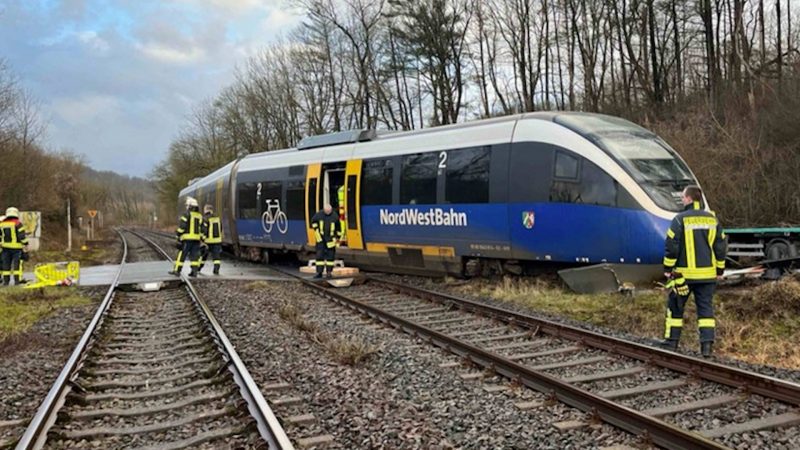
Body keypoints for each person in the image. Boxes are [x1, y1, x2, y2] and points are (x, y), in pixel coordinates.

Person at [660, 185, 727, 357]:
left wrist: (668, 268)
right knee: (705, 310)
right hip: (707, 276)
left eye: (683, 197)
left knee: (675, 307)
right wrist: (720, 269)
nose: (682, 200)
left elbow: (671, 246)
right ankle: (706, 347)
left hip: (683, 276)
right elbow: (720, 246)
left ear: (689, 199)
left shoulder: (679, 219)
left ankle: (671, 343)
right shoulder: (712, 219)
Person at [169, 197, 203, 277]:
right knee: (194, 256)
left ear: (190, 206)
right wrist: (201, 238)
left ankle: (177, 270)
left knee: (182, 255)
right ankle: (194, 272)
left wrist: (178, 234)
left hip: (187, 240)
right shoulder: (199, 216)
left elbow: (182, 227)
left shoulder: (186, 215)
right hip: (196, 240)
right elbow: (202, 228)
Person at [310, 203, 342, 278]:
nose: (328, 212)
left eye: (329, 211)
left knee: (330, 258)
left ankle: (329, 272)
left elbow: (338, 227)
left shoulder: (335, 216)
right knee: (319, 257)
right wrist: (316, 230)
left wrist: (337, 237)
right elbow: (313, 222)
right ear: (324, 210)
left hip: (330, 240)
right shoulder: (318, 215)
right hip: (320, 239)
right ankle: (319, 273)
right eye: (327, 211)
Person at [1, 208, 29, 286]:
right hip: (16, 249)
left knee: (6, 265)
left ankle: (6, 282)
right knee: (17, 265)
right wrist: (25, 243)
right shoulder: (17, 223)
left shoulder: (2, 224)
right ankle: (17, 282)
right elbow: (21, 236)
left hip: (5, 248)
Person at [199, 204, 223, 275]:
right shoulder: (217, 218)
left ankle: (198, 268)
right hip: (217, 241)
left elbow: (204, 230)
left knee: (203, 256)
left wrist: (202, 239)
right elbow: (220, 228)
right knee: (216, 257)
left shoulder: (205, 218)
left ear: (206, 210)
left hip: (208, 241)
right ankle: (216, 270)